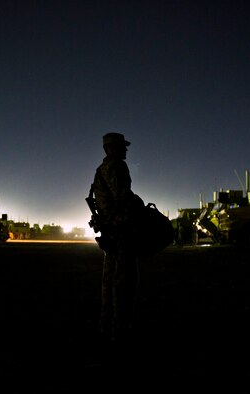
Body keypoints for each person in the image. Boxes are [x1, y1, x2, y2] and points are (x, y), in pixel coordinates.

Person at [91, 132, 144, 344]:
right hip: (122, 231)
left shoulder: (100, 170)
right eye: (122, 146)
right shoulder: (117, 167)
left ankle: (107, 327)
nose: (126, 150)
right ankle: (121, 331)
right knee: (124, 282)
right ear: (111, 148)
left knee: (109, 281)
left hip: (110, 232)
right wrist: (139, 206)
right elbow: (123, 198)